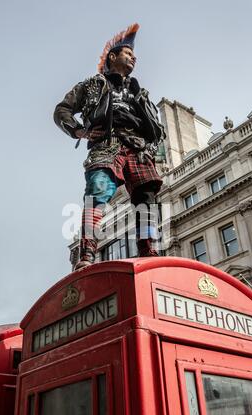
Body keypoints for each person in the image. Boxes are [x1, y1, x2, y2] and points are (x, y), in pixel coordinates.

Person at [54, 24, 165, 270]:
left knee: (147, 200)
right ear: (112, 57)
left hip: (138, 149)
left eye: (134, 56)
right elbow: (62, 109)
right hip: (107, 144)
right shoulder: (92, 84)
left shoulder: (140, 92)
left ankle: (148, 250)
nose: (134, 58)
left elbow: (154, 125)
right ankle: (87, 253)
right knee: (96, 194)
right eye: (128, 54)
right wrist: (78, 130)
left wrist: (151, 141)